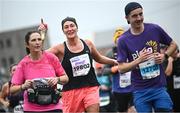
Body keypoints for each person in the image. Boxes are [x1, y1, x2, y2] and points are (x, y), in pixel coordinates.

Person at [39, 17, 117, 112]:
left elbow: (99, 58)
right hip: (71, 91)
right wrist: (42, 35)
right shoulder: (60, 48)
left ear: (77, 27)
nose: (70, 29)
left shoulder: (88, 43)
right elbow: (40, 55)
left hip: (90, 87)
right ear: (63, 31)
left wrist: (113, 61)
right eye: (66, 27)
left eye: (72, 26)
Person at [117, 2, 177, 112]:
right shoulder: (123, 40)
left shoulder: (154, 29)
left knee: (166, 110)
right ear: (127, 18)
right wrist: (138, 60)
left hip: (159, 87)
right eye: (134, 16)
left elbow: (173, 44)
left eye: (141, 14)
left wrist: (165, 56)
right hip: (140, 90)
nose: (139, 18)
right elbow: (121, 68)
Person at [10, 31, 69, 112]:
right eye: (33, 40)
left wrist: (57, 79)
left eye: (39, 39)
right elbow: (12, 90)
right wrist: (23, 86)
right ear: (27, 45)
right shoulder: (23, 63)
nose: (37, 42)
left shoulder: (51, 58)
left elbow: (66, 78)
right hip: (32, 109)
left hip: (54, 107)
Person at [103, 27, 134, 112]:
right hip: (118, 90)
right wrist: (113, 69)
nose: (120, 40)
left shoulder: (131, 50)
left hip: (133, 87)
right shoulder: (111, 53)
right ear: (115, 40)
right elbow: (104, 71)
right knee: (122, 111)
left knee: (133, 109)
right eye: (118, 38)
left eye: (122, 37)